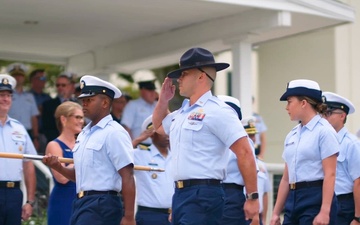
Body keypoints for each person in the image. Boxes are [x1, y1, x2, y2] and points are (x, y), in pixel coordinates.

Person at [152, 47, 259, 225]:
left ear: (201, 76)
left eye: (184, 74)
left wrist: (252, 197)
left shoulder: (218, 111)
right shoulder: (182, 112)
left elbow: (245, 152)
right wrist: (163, 100)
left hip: (203, 193)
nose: (179, 79)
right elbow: (159, 128)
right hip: (180, 193)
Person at [42, 75, 135, 225]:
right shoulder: (84, 133)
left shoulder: (114, 132)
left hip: (103, 203)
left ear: (105, 102)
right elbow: (80, 175)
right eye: (83, 100)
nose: (84, 104)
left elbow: (128, 175)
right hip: (81, 202)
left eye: (89, 100)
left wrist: (129, 217)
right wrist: (58, 167)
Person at [270, 79, 339, 225]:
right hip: (293, 199)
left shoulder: (324, 131)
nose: (286, 107)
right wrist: (276, 212)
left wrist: (324, 212)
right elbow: (286, 178)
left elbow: (330, 174)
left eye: (289, 101)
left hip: (315, 197)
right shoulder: (292, 135)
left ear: (303, 103)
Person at [0, 74, 37, 225]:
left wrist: (30, 200)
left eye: (9, 95)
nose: (6, 99)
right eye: (1, 95)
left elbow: (28, 164)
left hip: (14, 193)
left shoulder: (19, 128)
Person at [216, 95, 259, 225]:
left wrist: (253, 204)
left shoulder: (243, 140)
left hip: (231, 194)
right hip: (208, 192)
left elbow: (251, 175)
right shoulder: (208, 138)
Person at [322, 91, 360, 224]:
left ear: (342, 116)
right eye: (323, 114)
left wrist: (357, 217)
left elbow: (358, 182)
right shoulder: (322, 140)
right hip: (325, 203)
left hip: (345, 205)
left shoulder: (352, 143)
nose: (324, 118)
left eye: (329, 113)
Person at [46, 101, 84, 225]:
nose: (81, 121)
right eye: (77, 117)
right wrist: (79, 154)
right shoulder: (54, 145)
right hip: (63, 200)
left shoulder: (84, 144)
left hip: (84, 200)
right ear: (63, 119)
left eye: (82, 118)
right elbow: (62, 178)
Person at [133, 115, 173, 225]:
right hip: (150, 215)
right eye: (163, 131)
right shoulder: (140, 154)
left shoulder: (176, 156)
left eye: (169, 131)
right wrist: (139, 139)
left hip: (174, 215)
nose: (167, 135)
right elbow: (120, 156)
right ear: (152, 134)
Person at [241, 116, 271, 225]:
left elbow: (265, 194)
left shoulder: (261, 164)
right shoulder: (239, 161)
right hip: (243, 214)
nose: (252, 139)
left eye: (253, 135)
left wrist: (264, 219)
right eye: (249, 135)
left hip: (259, 218)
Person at [7, 63, 40, 150]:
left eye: (20, 75)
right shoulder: (6, 95)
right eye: (15, 75)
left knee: (27, 158)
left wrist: (36, 137)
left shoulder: (30, 96)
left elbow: (34, 118)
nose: (17, 78)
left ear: (24, 78)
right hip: (10, 131)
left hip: (27, 132)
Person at [42, 71, 77, 143]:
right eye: (58, 85)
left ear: (71, 86)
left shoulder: (77, 104)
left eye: (63, 85)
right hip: (55, 142)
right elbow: (47, 128)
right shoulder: (48, 104)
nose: (60, 87)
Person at [121, 79, 158, 144]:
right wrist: (132, 145)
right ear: (142, 91)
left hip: (158, 148)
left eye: (153, 90)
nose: (153, 93)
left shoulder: (157, 105)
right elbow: (126, 128)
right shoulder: (132, 105)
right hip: (141, 147)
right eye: (149, 90)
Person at [29, 69, 51, 154]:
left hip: (44, 133)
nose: (43, 80)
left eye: (44, 78)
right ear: (33, 80)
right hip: (29, 132)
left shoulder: (48, 98)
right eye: (40, 78)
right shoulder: (27, 96)